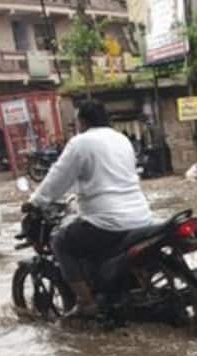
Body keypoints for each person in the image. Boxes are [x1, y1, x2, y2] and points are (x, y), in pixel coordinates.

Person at [26, 100, 153, 318]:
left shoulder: (81, 143)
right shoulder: (122, 140)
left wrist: (36, 201)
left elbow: (58, 178)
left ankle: (86, 302)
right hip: (141, 217)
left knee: (60, 241)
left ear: (82, 121)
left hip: (106, 221)